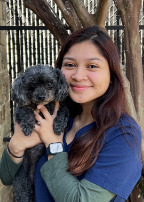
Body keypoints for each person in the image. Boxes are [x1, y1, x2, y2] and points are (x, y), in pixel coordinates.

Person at [0, 26, 142, 202]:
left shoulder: (122, 134)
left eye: (92, 66)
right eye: (70, 65)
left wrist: (53, 144)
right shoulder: (53, 115)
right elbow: (6, 177)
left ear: (112, 75)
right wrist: (16, 145)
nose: (78, 75)